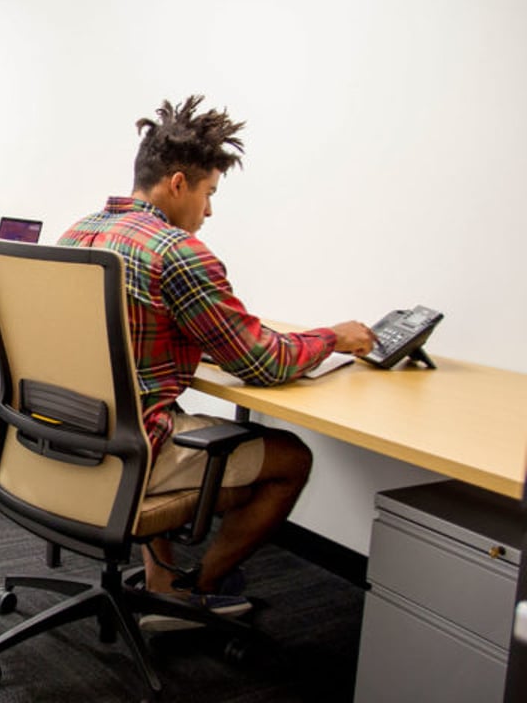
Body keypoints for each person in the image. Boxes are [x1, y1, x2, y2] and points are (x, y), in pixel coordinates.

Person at [58, 95, 376, 629]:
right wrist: (334, 338)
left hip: (65, 438)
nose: (209, 210)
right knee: (291, 458)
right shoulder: (178, 252)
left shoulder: (78, 233)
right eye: (208, 193)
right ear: (178, 184)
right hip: (129, 452)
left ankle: (160, 580)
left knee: (160, 408)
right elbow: (265, 363)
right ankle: (194, 592)